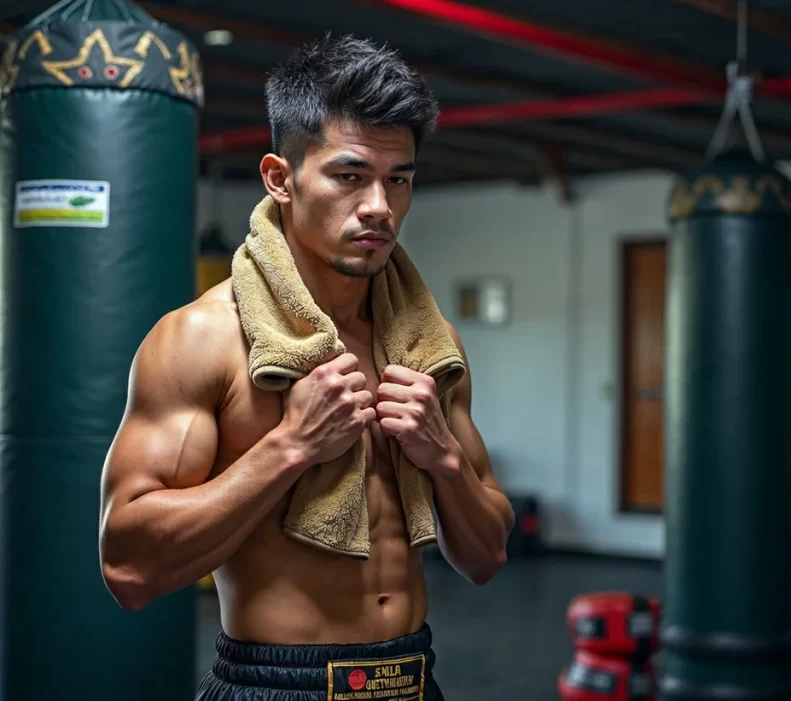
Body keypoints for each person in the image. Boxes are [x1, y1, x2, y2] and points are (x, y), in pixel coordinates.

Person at [98, 34, 515, 700]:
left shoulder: (428, 348)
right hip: (277, 684)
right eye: (350, 175)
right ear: (280, 178)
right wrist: (289, 447)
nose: (379, 205)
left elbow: (488, 555)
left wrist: (443, 458)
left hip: (414, 679)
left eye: (398, 179)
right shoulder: (203, 340)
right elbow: (128, 566)